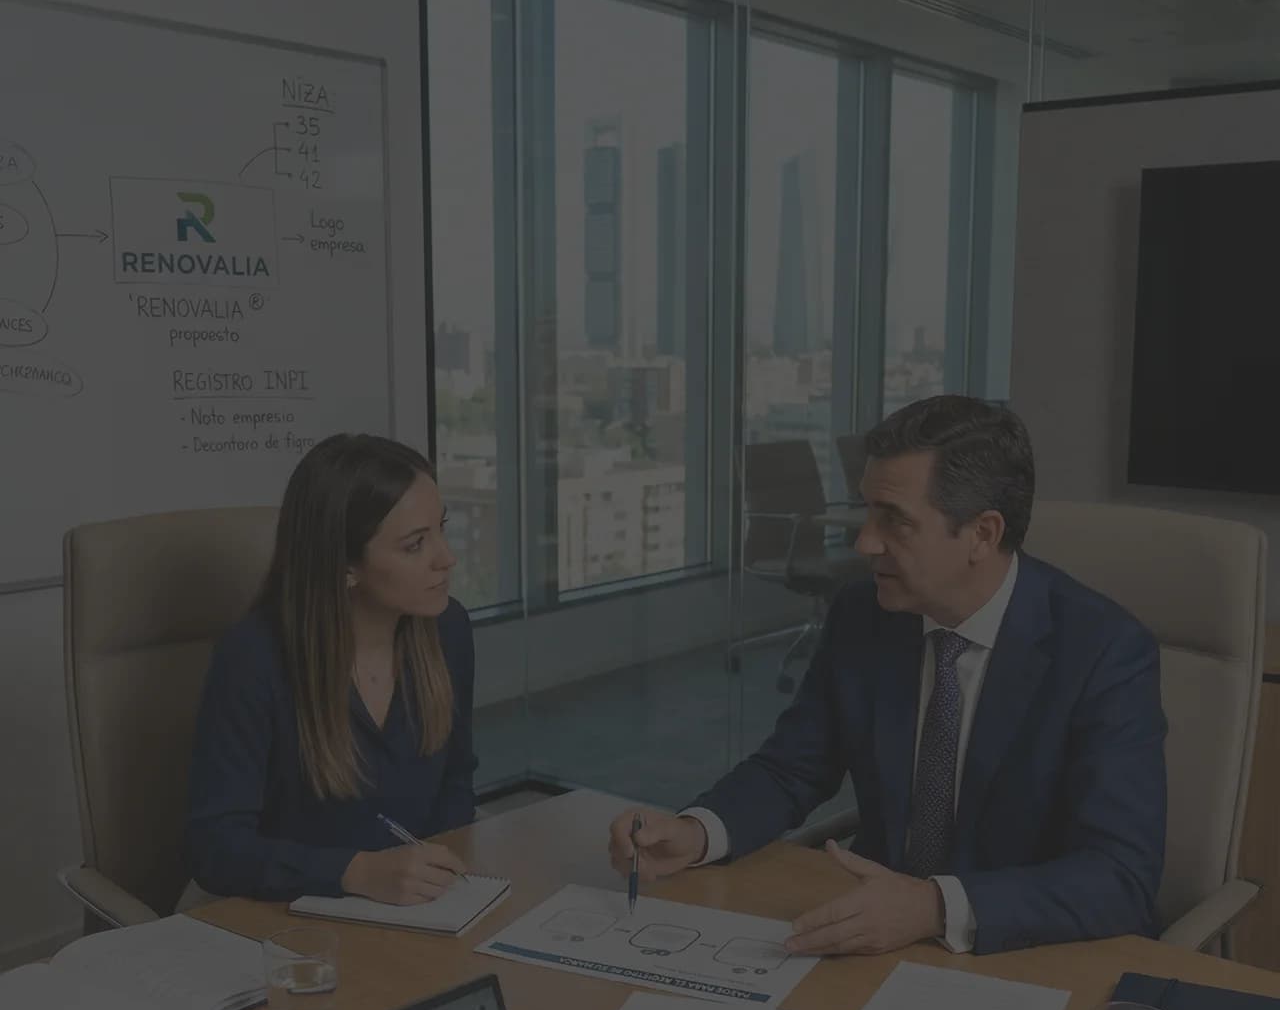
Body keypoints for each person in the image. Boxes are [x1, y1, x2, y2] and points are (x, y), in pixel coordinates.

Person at [606, 395, 1167, 957]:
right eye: (867, 511)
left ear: (982, 533)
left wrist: (933, 907)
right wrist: (698, 831)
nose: (865, 542)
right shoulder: (864, 615)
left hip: (1027, 954)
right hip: (874, 940)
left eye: (894, 520)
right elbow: (791, 768)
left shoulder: (1103, 652)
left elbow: (1119, 876)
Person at [185, 433, 475, 903]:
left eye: (441, 528)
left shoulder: (448, 629)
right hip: (276, 914)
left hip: (406, 911)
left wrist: (437, 874)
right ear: (345, 567)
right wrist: (353, 873)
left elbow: (456, 784)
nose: (447, 558)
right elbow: (215, 849)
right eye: (415, 545)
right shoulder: (253, 657)